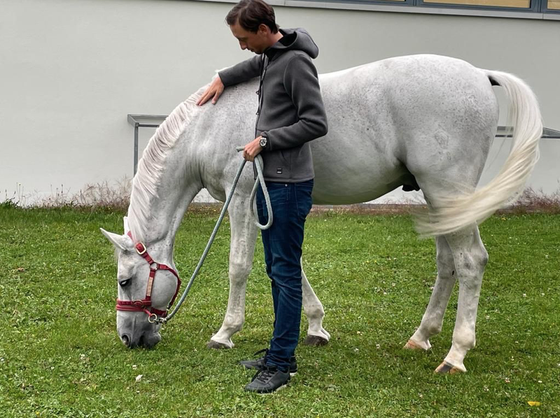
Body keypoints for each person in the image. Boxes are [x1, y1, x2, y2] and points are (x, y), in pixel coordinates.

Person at [197, 0, 328, 393]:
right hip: (271, 181)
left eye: (242, 38)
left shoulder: (296, 63)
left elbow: (316, 121)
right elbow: (253, 66)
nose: (241, 46)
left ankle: (283, 363)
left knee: (285, 273)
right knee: (277, 270)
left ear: (263, 28)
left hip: (289, 185)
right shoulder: (271, 55)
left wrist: (266, 139)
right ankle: (276, 351)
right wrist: (222, 76)